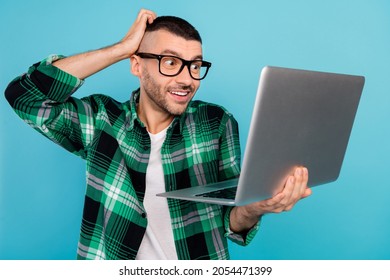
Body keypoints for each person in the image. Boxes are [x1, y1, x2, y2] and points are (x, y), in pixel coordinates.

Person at [4, 9, 311, 260]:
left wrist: (256, 208)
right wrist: (120, 49)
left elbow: (230, 221)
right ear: (137, 65)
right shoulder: (101, 120)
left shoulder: (216, 122)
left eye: (195, 65)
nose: (187, 79)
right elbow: (25, 96)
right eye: (171, 63)